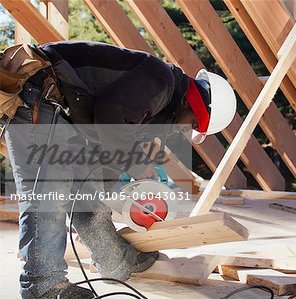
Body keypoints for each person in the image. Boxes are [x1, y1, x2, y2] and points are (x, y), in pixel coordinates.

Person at [0, 41, 236, 299]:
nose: (186, 130)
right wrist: (139, 165)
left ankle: (116, 261)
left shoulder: (164, 106)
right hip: (38, 93)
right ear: (195, 107)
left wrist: (113, 189)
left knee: (87, 195)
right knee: (48, 194)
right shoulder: (161, 81)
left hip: (61, 106)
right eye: (192, 124)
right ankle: (42, 285)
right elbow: (110, 117)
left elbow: (110, 149)